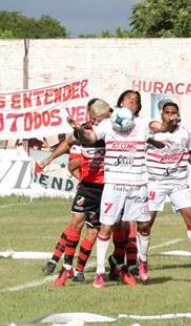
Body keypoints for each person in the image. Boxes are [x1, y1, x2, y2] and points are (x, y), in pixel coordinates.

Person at [69, 90, 169, 289]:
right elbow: (89, 138)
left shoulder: (142, 123)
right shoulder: (107, 124)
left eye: (136, 100)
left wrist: (168, 122)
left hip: (138, 184)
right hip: (113, 185)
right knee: (105, 227)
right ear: (121, 102)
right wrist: (79, 129)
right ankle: (99, 272)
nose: (132, 101)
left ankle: (142, 260)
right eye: (128, 98)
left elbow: (159, 127)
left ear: (138, 107)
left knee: (143, 226)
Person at [38, 98, 110, 286]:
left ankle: (81, 270)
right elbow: (70, 155)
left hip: (108, 188)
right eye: (92, 118)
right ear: (88, 114)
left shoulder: (112, 131)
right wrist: (49, 158)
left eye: (98, 119)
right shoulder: (84, 131)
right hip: (87, 186)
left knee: (97, 230)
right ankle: (65, 266)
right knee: (76, 224)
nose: (94, 123)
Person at [141, 101, 191, 276]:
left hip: (178, 182)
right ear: (162, 114)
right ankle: (142, 259)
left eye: (173, 112)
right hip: (156, 182)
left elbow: (190, 152)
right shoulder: (151, 131)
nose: (170, 115)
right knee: (147, 222)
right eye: (167, 112)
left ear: (178, 115)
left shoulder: (185, 134)